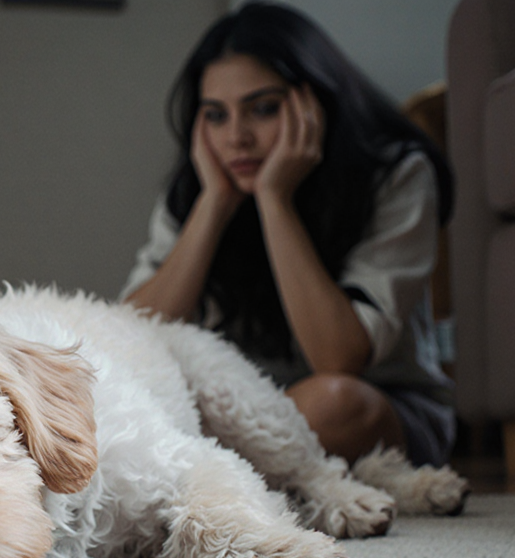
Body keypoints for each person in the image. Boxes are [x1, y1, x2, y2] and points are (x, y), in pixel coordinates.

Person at [121, 1, 456, 467]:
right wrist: (214, 206)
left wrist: (275, 201)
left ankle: (202, 473)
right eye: (216, 115)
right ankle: (229, 473)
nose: (237, 136)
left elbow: (339, 360)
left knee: (332, 402)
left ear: (313, 101)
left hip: (376, 407)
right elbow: (128, 338)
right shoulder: (198, 191)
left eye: (262, 109)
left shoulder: (395, 175)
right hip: (241, 412)